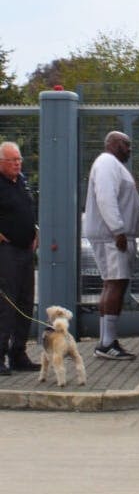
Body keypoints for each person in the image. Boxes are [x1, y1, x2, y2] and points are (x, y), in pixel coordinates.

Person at [85, 131, 139, 360]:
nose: (129, 149)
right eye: (126, 144)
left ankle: (106, 341)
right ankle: (107, 343)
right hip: (112, 236)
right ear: (112, 144)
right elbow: (105, 197)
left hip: (115, 235)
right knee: (115, 284)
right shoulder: (107, 163)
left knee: (112, 283)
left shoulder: (113, 165)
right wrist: (118, 230)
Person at [0, 141, 40, 373]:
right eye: (12, 160)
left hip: (26, 250)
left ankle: (19, 353)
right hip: (7, 251)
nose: (17, 164)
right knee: (7, 303)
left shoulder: (22, 182)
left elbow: (27, 208)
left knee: (26, 301)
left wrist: (35, 230)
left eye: (19, 160)